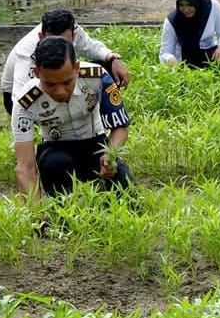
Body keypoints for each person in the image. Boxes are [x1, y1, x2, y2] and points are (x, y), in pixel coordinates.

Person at [13, 37, 132, 198]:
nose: (60, 91)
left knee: (126, 190)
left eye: (67, 82)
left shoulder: (97, 77)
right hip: (55, 149)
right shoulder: (26, 102)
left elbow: (120, 127)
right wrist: (36, 209)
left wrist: (110, 154)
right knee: (54, 165)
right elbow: (25, 167)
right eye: (50, 85)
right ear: (36, 73)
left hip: (95, 143)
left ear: (76, 68)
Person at [1, 8, 129, 114]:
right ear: (41, 37)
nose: (59, 48)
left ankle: (107, 112)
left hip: (58, 83)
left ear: (73, 36)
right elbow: (18, 99)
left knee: (106, 67)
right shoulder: (27, 53)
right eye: (52, 42)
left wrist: (114, 58)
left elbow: (92, 47)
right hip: (29, 95)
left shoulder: (73, 29)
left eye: (65, 42)